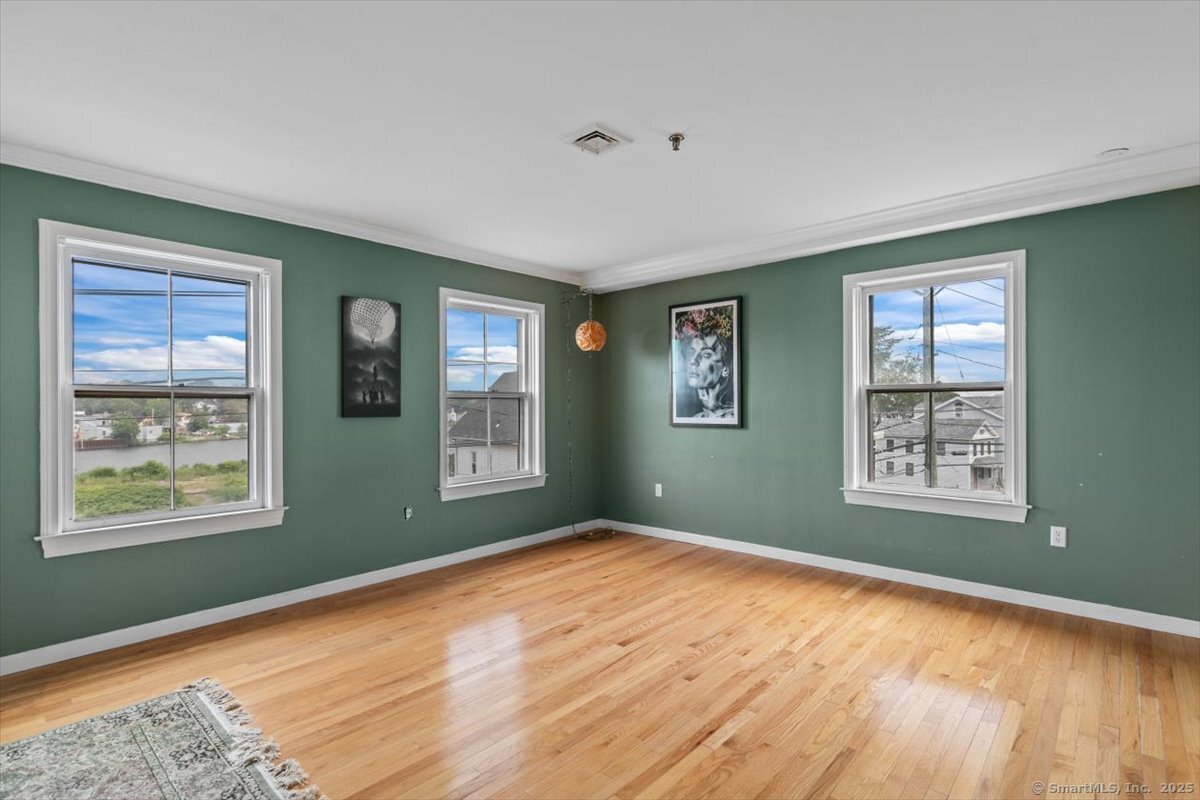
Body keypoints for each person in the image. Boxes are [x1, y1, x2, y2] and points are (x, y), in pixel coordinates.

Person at [676, 307, 735, 419]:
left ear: (725, 369)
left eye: (706, 355)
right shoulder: (697, 418)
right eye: (692, 352)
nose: (693, 361)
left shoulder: (730, 417)